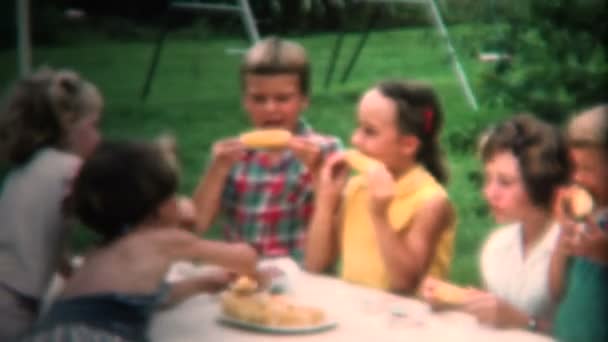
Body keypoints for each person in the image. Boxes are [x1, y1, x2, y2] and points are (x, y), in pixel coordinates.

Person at [23, 140, 258, 341]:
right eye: (173, 197)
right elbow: (243, 258)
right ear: (157, 212)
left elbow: (144, 300)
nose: (181, 201)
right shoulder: (163, 240)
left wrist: (204, 283)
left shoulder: (103, 249)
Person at [193, 37, 341, 261]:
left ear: (304, 100)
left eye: (283, 98)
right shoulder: (231, 156)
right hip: (242, 276)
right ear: (245, 101)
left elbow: (337, 228)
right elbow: (198, 226)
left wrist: (318, 172)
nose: (270, 108)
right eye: (258, 99)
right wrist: (217, 170)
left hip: (303, 275)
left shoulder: (326, 150)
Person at [304, 80, 456, 293]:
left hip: (410, 322)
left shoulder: (431, 203)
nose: (355, 139)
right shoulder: (357, 187)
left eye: (370, 131)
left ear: (408, 145)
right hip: (360, 314)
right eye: (359, 127)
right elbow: (315, 264)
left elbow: (405, 284)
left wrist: (380, 215)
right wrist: (326, 201)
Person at [425, 115, 570, 333]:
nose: (489, 192)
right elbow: (497, 319)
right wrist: (461, 301)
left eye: (505, 182)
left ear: (541, 182)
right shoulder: (498, 246)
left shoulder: (572, 247)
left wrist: (525, 321)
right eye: (488, 179)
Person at [0, 68, 103, 340]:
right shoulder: (71, 170)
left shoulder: (27, 166)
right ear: (69, 123)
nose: (99, 137)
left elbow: (36, 227)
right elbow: (110, 213)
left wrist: (65, 264)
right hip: (13, 308)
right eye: (94, 125)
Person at [550, 104, 608, 341]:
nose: (577, 178)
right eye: (575, 167)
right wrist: (564, 234)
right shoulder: (592, 218)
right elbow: (556, 289)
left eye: (587, 169)